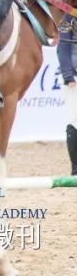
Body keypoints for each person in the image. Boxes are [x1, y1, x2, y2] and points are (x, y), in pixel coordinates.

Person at [58, 14, 77, 175]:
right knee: (74, 121)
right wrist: (68, 75)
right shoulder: (68, 18)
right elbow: (62, 47)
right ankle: (75, 169)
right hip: (74, 78)